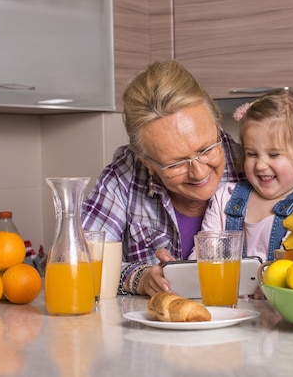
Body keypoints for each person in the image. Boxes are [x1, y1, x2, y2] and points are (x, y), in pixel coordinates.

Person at [81, 60, 244, 296]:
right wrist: (139, 277)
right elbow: (81, 262)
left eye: (206, 149)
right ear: (147, 162)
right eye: (176, 163)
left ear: (216, 125)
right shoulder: (122, 177)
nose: (198, 173)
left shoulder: (252, 166)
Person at [195, 88, 293, 262]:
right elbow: (200, 260)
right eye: (251, 154)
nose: (261, 165)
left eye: (274, 155)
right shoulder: (224, 198)